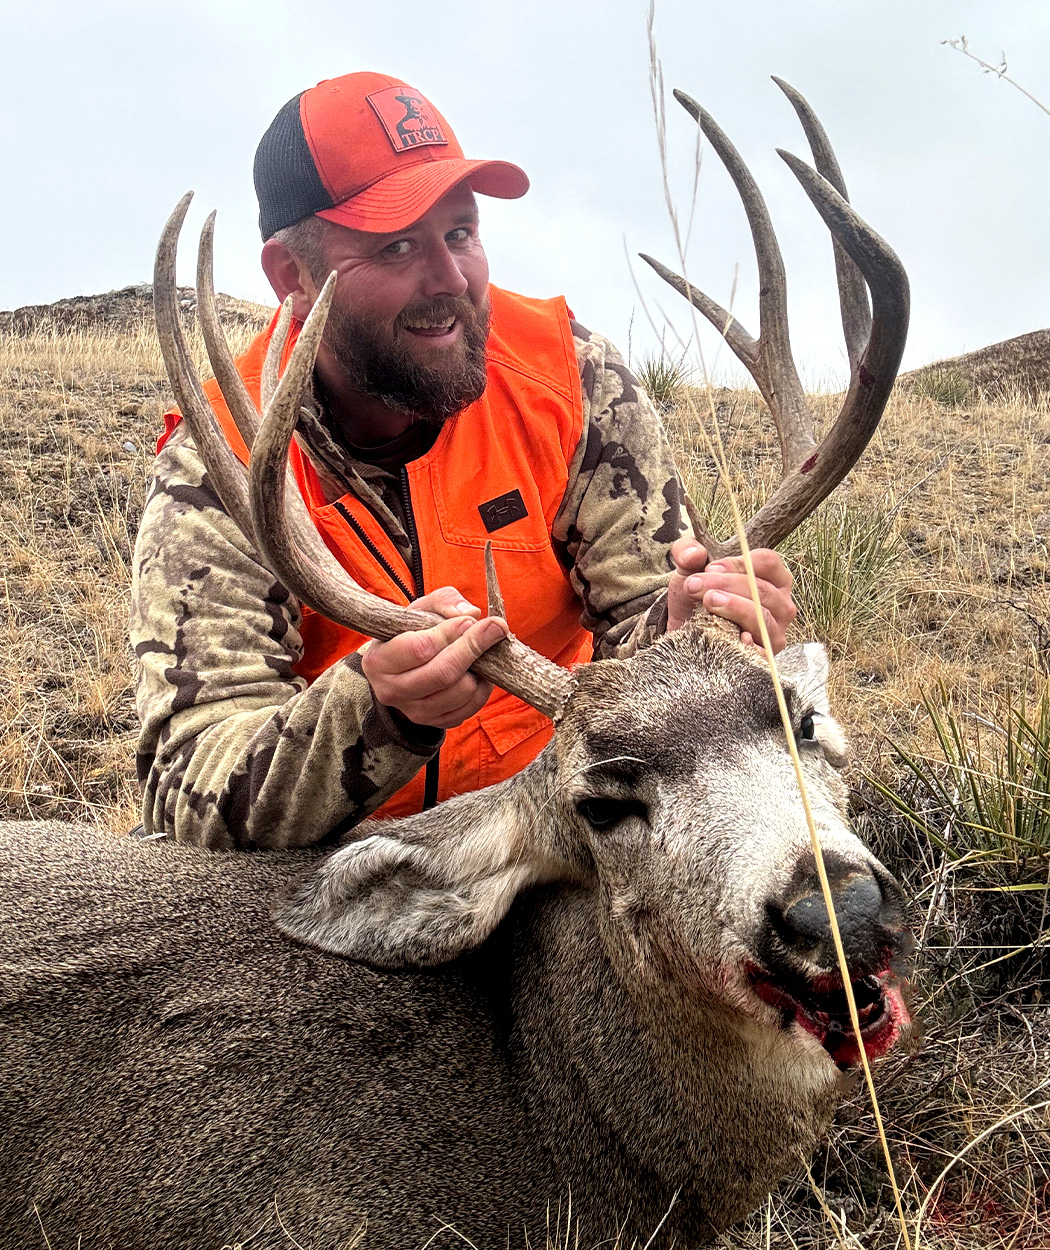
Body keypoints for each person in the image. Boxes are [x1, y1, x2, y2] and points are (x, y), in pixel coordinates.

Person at [130, 71, 796, 850]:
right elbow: (187, 794)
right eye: (398, 245)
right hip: (339, 870)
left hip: (561, 839)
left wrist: (689, 629)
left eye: (460, 233)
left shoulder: (571, 381)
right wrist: (375, 711)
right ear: (293, 276)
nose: (450, 281)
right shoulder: (224, 466)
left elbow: (639, 647)